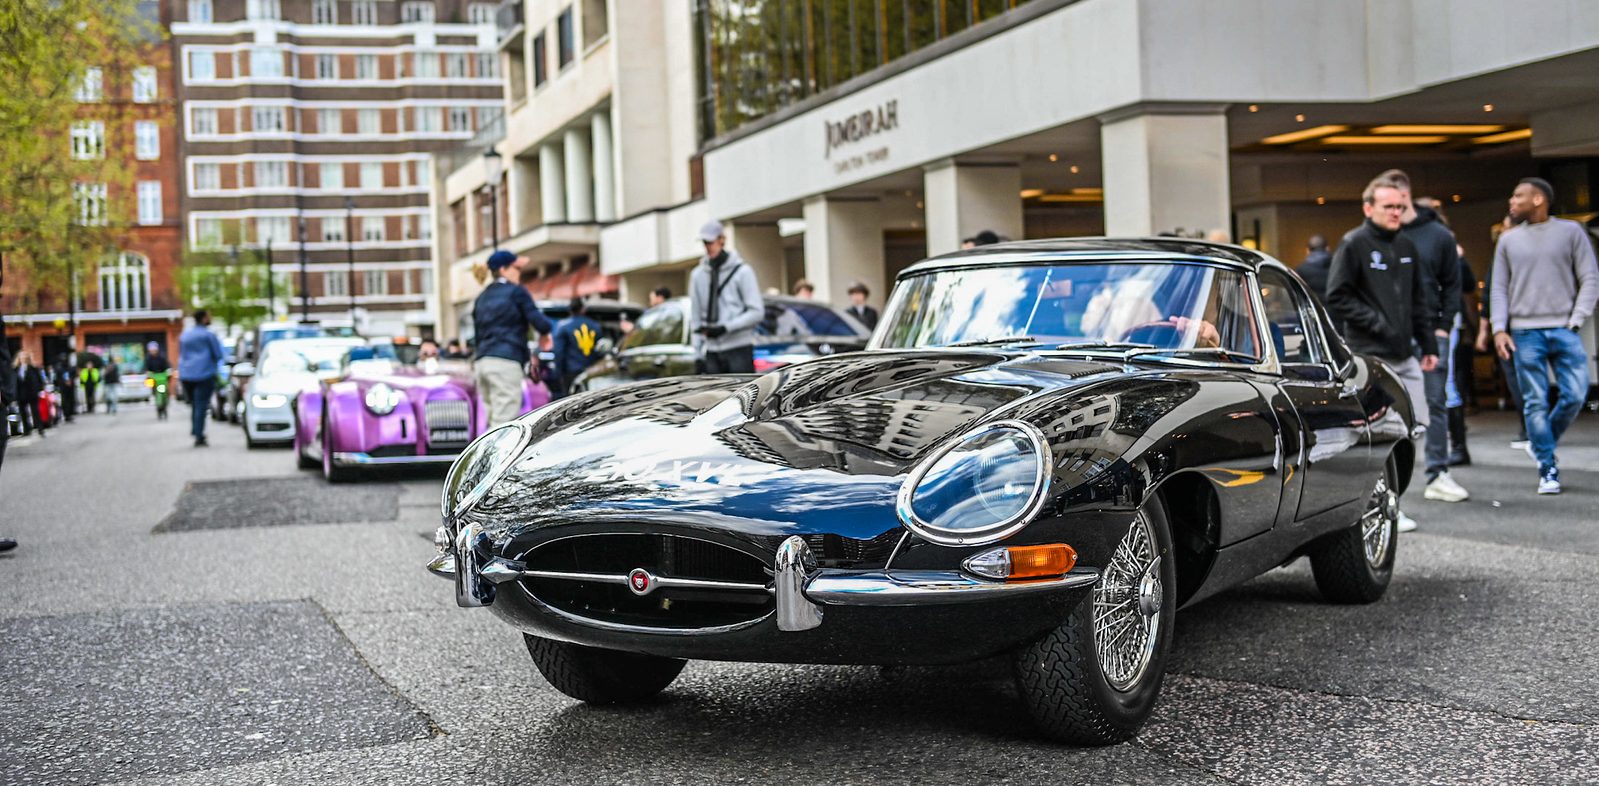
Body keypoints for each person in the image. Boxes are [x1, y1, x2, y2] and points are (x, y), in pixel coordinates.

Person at [1327, 176, 1439, 531]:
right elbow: (1337, 296)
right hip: (1370, 357)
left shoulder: (1406, 245)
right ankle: (1379, 504)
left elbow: (1418, 300)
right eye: (1388, 206)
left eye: (1400, 207)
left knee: (1415, 426)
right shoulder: (1354, 244)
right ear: (1368, 208)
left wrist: (1429, 344)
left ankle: (1391, 498)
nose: (1395, 212)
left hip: (1405, 355)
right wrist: (1377, 323)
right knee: (1381, 433)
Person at [1490, 177, 1599, 495]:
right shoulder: (1508, 241)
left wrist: (1576, 320)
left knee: (1575, 395)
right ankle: (1547, 467)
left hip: (1564, 328)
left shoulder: (1571, 232)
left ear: (1538, 199)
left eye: (1518, 196)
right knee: (1535, 401)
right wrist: (1499, 328)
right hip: (1524, 332)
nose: (1512, 201)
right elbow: (1499, 287)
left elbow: (1590, 277)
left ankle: (1541, 442)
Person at [1389, 185, 1465, 503]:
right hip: (1393, 333)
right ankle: (1391, 483)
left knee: (1435, 400)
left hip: (1431, 330)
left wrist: (1444, 328)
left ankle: (1437, 473)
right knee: (1392, 406)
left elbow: (1453, 284)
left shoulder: (1439, 235)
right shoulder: (1379, 236)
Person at [473, 250, 553, 427]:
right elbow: (539, 321)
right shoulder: (516, 292)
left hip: (482, 362)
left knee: (491, 420)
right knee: (504, 422)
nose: (519, 273)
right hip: (505, 360)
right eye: (516, 268)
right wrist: (546, 332)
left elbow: (477, 334)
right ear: (503, 269)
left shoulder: (481, 297)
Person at [1477, 216, 1529, 449]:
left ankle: (1531, 428)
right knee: (1525, 379)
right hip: (1514, 326)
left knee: (1520, 378)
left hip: (1517, 326)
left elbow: (1490, 293)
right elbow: (1490, 294)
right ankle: (1534, 427)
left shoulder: (1506, 255)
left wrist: (1486, 330)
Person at [689, 220, 763, 374]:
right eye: (705, 243)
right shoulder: (698, 275)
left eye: (711, 242)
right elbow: (696, 317)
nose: (708, 247)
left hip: (739, 347)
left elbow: (757, 312)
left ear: (722, 240)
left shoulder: (743, 272)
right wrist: (697, 355)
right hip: (711, 350)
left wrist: (726, 328)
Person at [1446, 243, 1478, 466]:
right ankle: (1457, 445)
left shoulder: (1450, 253)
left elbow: (1468, 284)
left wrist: (1460, 260)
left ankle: (1457, 445)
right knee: (1448, 380)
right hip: (1444, 320)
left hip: (1446, 321)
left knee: (1448, 381)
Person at [178, 310, 226, 447]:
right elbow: (218, 354)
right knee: (201, 404)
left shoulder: (185, 335)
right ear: (204, 318)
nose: (210, 318)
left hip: (186, 375)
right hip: (203, 374)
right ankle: (199, 434)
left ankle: (196, 430)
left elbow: (182, 354)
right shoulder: (208, 335)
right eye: (208, 316)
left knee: (194, 404)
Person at [549, 298, 603, 399]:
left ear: (570, 310)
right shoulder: (595, 326)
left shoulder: (562, 326)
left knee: (571, 400)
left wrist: (558, 373)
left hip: (571, 372)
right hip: (591, 372)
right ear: (583, 309)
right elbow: (600, 349)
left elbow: (559, 352)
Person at [1296, 235, 1333, 309]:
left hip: (1313, 311)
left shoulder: (1300, 269)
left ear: (1307, 251)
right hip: (1337, 312)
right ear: (1327, 249)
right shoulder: (1338, 266)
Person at [53, 355, 76, 422]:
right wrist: (63, 382)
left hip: (70, 387)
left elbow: (73, 374)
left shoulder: (69, 368)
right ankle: (66, 414)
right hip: (63, 387)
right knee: (65, 401)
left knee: (70, 400)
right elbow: (57, 378)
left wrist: (70, 381)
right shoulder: (59, 368)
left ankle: (69, 414)